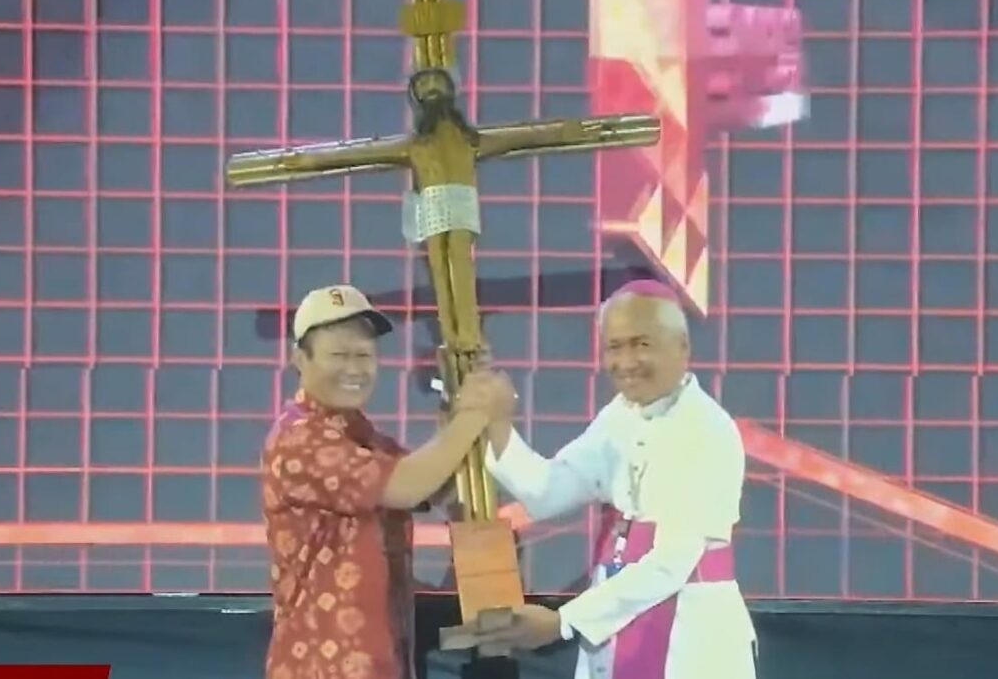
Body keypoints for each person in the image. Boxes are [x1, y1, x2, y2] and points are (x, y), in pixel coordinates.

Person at [468, 279, 757, 679]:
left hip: (691, 633)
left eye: (641, 344)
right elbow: (547, 492)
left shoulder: (706, 429)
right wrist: (497, 422)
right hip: (615, 623)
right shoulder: (620, 416)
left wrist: (563, 622)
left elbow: (671, 563)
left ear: (683, 347)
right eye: (614, 347)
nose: (626, 361)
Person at [261, 284, 515, 679]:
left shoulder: (358, 436)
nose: (354, 369)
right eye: (338, 355)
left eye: (364, 355)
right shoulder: (299, 439)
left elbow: (433, 482)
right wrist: (477, 411)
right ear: (299, 359)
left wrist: (460, 389)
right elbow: (407, 485)